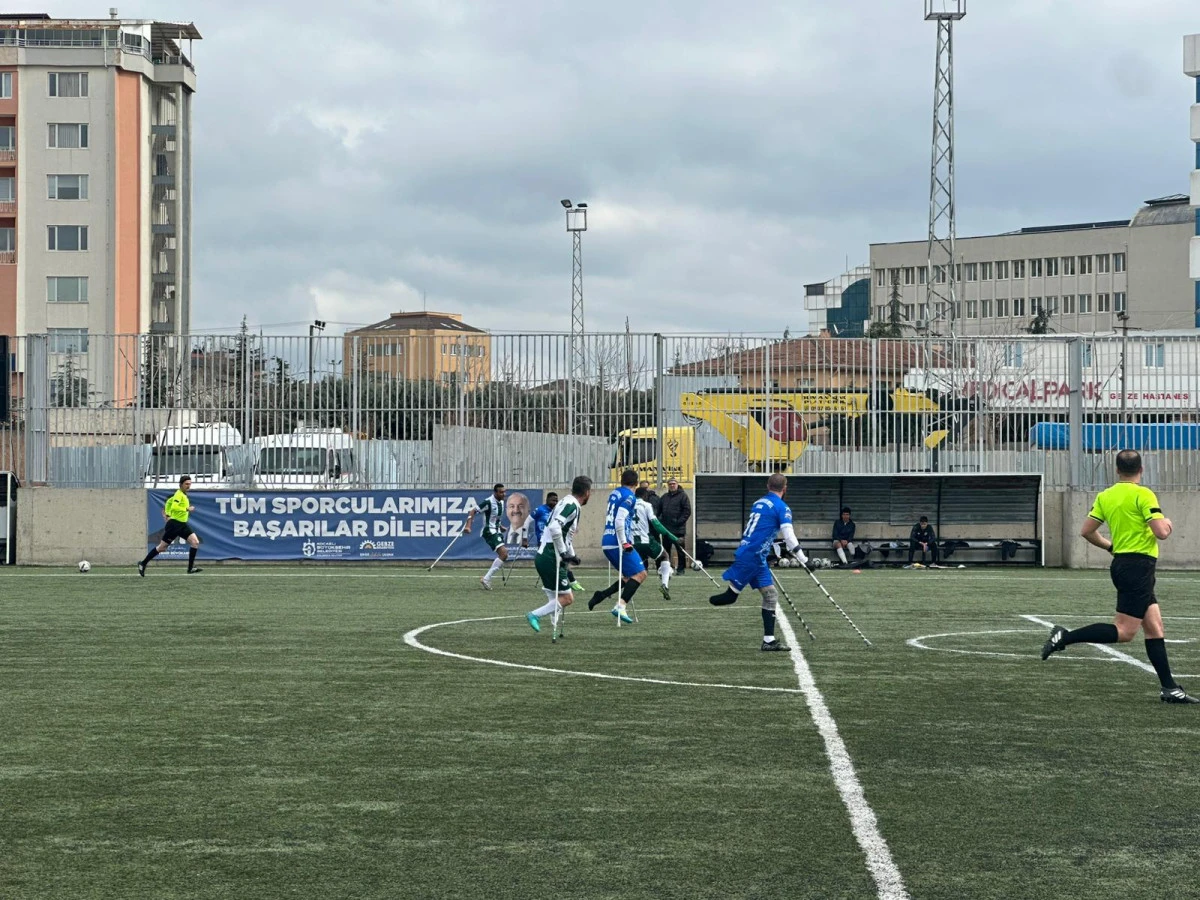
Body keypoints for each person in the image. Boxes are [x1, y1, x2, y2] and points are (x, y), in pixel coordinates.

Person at [1041, 449, 1198, 703]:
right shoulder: (1143, 494)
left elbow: (1087, 531)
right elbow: (1161, 532)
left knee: (1155, 627)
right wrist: (1168, 522)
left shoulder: (1106, 495)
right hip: (1138, 567)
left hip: (1124, 564)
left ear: (1116, 470)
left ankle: (1170, 688)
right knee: (1125, 631)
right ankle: (1064, 637)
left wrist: (1110, 546)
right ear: (1141, 469)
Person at [708, 473, 808, 651]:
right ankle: (706, 601)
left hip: (756, 555)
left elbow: (762, 529)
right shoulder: (782, 507)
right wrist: (804, 559)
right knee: (730, 597)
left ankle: (768, 641)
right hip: (751, 556)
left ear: (767, 486)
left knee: (771, 595)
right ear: (785, 489)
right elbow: (788, 535)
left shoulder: (758, 502)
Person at [525, 477, 592, 634]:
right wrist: (564, 553)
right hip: (551, 555)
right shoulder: (571, 505)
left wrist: (572, 555)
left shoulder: (565, 502)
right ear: (587, 493)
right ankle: (534, 614)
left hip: (544, 554)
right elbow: (555, 528)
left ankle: (552, 629)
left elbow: (565, 535)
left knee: (555, 599)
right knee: (567, 598)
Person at [590, 486, 678, 604]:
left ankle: (604, 594)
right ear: (645, 496)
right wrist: (674, 538)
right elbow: (656, 525)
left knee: (631, 575)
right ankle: (664, 584)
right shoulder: (647, 505)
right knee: (664, 556)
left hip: (631, 544)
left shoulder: (627, 503)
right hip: (646, 541)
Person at [587, 468, 643, 623]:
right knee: (641, 574)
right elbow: (619, 519)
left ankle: (602, 595)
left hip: (607, 540)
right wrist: (625, 542)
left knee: (629, 577)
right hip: (618, 541)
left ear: (621, 481)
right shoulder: (630, 496)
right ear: (636, 484)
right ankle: (620, 606)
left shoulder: (615, 493)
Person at [139, 475, 202, 575]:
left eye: (189, 484)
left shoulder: (182, 495)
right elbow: (175, 507)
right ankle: (143, 563)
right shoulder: (179, 494)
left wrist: (167, 514)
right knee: (162, 548)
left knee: (195, 542)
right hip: (175, 525)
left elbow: (169, 502)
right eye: (186, 484)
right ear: (181, 484)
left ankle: (190, 568)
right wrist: (186, 509)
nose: (188, 486)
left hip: (181, 524)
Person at [464, 483, 509, 590]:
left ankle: (486, 578)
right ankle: (486, 578)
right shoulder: (488, 502)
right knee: (504, 553)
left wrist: (501, 526)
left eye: (504, 492)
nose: (504, 494)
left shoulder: (502, 502)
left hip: (497, 530)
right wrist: (468, 526)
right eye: (501, 492)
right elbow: (473, 510)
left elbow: (495, 517)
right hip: (489, 531)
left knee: (503, 555)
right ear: (495, 492)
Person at [659, 477, 692, 574]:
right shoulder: (664, 497)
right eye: (670, 484)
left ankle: (681, 569)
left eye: (674, 483)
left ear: (677, 484)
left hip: (678, 530)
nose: (672, 485)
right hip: (666, 529)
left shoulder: (683, 496)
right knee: (665, 550)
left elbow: (687, 511)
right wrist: (661, 521)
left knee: (680, 550)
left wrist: (678, 522)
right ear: (668, 486)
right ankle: (667, 569)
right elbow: (659, 511)